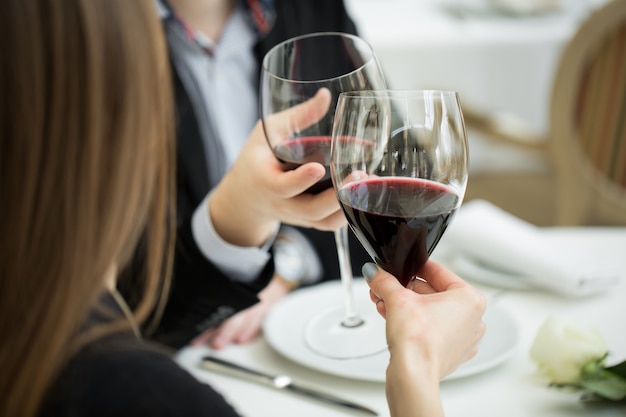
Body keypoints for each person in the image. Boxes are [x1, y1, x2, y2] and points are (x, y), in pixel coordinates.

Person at [0, 1, 487, 416]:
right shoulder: (99, 26)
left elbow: (391, 162)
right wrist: (417, 374)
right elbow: (135, 293)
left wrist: (267, 240)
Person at [149, 0, 374, 349]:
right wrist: (235, 217)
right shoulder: (79, 35)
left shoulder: (314, 10)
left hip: (301, 323)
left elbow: (386, 162)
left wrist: (287, 266)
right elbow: (122, 298)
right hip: (187, 350)